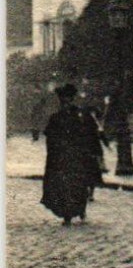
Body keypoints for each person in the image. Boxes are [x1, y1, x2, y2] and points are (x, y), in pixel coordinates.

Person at [41, 85, 101, 224]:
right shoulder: (55, 118)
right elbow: (50, 138)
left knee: (78, 185)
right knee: (64, 186)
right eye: (63, 100)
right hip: (61, 158)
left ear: (72, 99)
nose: (65, 102)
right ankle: (67, 214)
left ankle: (79, 210)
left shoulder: (81, 116)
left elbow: (90, 135)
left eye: (68, 99)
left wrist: (90, 152)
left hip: (77, 157)